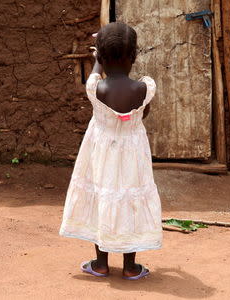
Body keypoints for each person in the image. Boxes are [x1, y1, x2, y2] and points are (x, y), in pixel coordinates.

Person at [59, 22, 162, 280]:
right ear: (134, 56)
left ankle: (101, 263)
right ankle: (130, 266)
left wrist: (97, 60)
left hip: (101, 154)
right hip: (132, 155)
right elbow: (142, 114)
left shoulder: (96, 88)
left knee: (102, 196)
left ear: (101, 57)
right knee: (130, 200)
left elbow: (95, 75)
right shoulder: (143, 88)